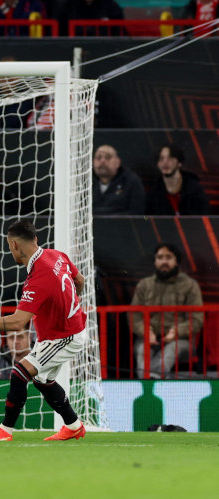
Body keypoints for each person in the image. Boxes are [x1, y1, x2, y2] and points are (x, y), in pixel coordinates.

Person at [0, 219, 88, 442]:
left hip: (64, 336)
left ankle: (5, 431)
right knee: (42, 380)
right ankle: (74, 425)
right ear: (35, 239)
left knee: (20, 373)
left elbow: (18, 322)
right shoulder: (56, 255)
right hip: (60, 331)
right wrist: (69, 304)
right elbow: (79, 280)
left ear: (14, 245)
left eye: (9, 246)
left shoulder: (39, 276)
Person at [130, 243, 203, 378]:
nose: (164, 261)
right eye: (160, 257)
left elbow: (197, 319)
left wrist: (176, 331)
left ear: (176, 262)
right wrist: (146, 332)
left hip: (180, 340)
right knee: (142, 351)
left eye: (168, 257)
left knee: (170, 351)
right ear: (155, 261)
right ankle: (149, 385)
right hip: (148, 338)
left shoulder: (190, 285)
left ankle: (154, 383)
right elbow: (134, 316)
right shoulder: (144, 285)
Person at [145, 144, 210, 216]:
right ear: (157, 164)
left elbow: (204, 215)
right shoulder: (153, 193)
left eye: (170, 158)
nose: (165, 162)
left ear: (179, 163)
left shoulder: (195, 189)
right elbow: (145, 218)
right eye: (161, 158)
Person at [91, 144, 145, 215]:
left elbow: (137, 213)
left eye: (108, 157)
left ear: (118, 162)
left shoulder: (131, 182)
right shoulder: (85, 184)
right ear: (93, 162)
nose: (102, 161)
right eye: (98, 157)